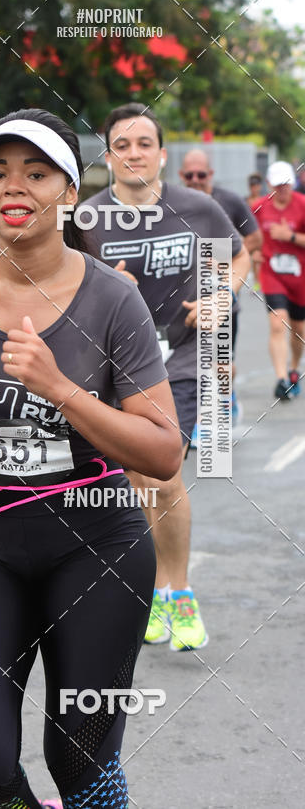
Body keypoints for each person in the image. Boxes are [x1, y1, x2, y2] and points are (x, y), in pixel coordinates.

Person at [0, 108, 183, 808]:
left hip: (98, 541)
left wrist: (58, 386)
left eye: (36, 172)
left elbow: (164, 449)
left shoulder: (112, 299)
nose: (12, 187)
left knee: (79, 755)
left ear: (70, 191)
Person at [82, 103, 250, 652]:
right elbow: (58, 285)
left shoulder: (198, 209)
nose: (134, 154)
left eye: (144, 144)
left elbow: (239, 256)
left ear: (162, 154)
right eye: (122, 145)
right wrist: (106, 286)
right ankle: (157, 589)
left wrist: (221, 293)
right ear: (108, 155)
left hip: (178, 359)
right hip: (113, 364)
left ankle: (178, 591)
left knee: (161, 470)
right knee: (136, 479)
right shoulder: (85, 221)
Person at [178, 149, 263, 425]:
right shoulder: (173, 204)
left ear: (211, 174)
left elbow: (255, 239)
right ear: (181, 176)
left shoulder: (230, 201)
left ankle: (227, 396)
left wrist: (224, 259)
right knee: (189, 363)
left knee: (223, 361)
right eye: (189, 175)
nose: (195, 179)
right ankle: (198, 417)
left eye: (201, 174)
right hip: (185, 300)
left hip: (223, 296)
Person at [256, 161, 305, 400]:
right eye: (278, 185)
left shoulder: (302, 205)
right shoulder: (259, 208)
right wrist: (254, 254)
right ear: (269, 185)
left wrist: (291, 236)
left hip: (300, 276)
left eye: (286, 184)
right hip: (272, 274)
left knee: (299, 330)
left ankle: (294, 367)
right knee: (278, 323)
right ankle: (281, 379)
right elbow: (252, 240)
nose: (283, 189)